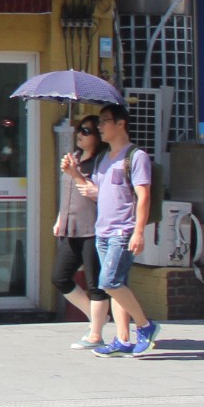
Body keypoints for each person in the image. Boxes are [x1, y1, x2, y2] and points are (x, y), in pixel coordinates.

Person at [78, 103, 159, 357]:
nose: (100, 126)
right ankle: (123, 340)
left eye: (104, 121)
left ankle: (145, 326)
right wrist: (73, 173)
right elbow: (97, 193)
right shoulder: (103, 158)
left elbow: (143, 196)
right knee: (117, 285)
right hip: (103, 231)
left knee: (110, 282)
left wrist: (138, 232)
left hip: (123, 231)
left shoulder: (135, 156)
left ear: (121, 124)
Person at [51, 116, 113, 349]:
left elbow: (98, 194)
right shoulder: (74, 158)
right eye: (80, 129)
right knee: (60, 276)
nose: (80, 134)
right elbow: (67, 192)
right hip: (71, 227)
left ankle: (95, 333)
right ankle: (96, 317)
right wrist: (60, 218)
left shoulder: (101, 163)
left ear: (98, 137)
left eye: (87, 131)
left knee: (95, 282)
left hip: (93, 228)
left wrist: (76, 173)